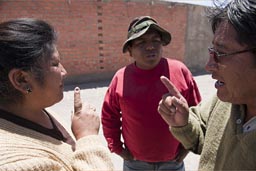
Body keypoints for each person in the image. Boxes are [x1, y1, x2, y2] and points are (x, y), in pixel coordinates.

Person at [0, 18, 114, 170]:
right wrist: (87, 136)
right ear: (22, 80)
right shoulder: (14, 163)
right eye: (54, 64)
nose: (64, 72)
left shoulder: (33, 108)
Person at [158, 0, 256, 170]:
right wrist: (183, 123)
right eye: (212, 52)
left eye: (222, 53)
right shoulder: (224, 100)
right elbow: (202, 136)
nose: (209, 65)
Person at [101, 16, 201, 171]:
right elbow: (109, 117)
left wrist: (188, 146)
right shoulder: (121, 78)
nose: (150, 47)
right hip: (135, 163)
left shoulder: (180, 71)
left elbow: (197, 112)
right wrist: (118, 149)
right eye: (141, 42)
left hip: (173, 162)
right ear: (130, 50)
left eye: (155, 40)